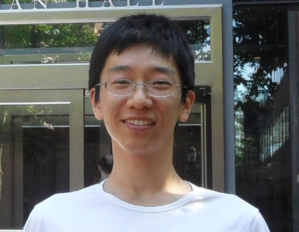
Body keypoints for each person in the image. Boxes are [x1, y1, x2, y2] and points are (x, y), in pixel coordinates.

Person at [23, 14, 270, 231]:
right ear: (96, 101)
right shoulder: (52, 220)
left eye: (160, 83)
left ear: (186, 103)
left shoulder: (237, 221)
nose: (139, 100)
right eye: (121, 82)